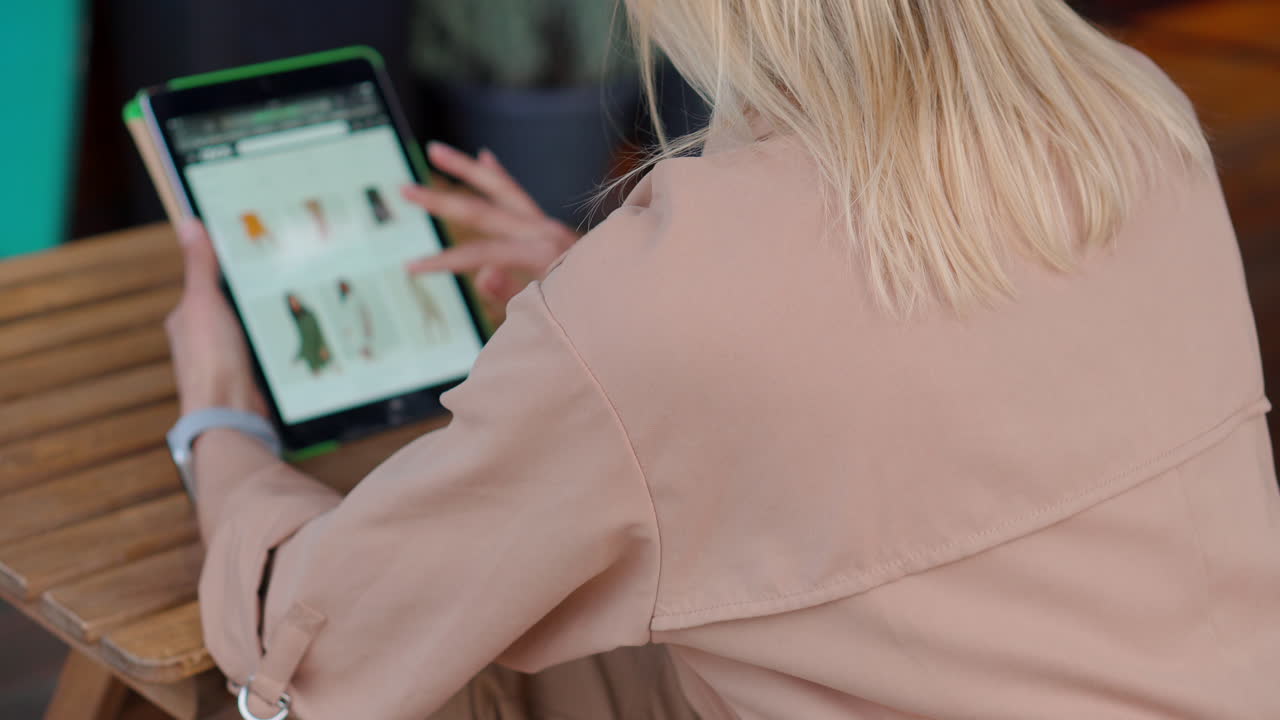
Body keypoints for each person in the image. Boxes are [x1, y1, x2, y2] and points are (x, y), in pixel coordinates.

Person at [164, 1, 1280, 718]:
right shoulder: (1137, 127)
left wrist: (218, 418)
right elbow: (938, 377)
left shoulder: (669, 305)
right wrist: (589, 287)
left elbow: (309, 653)